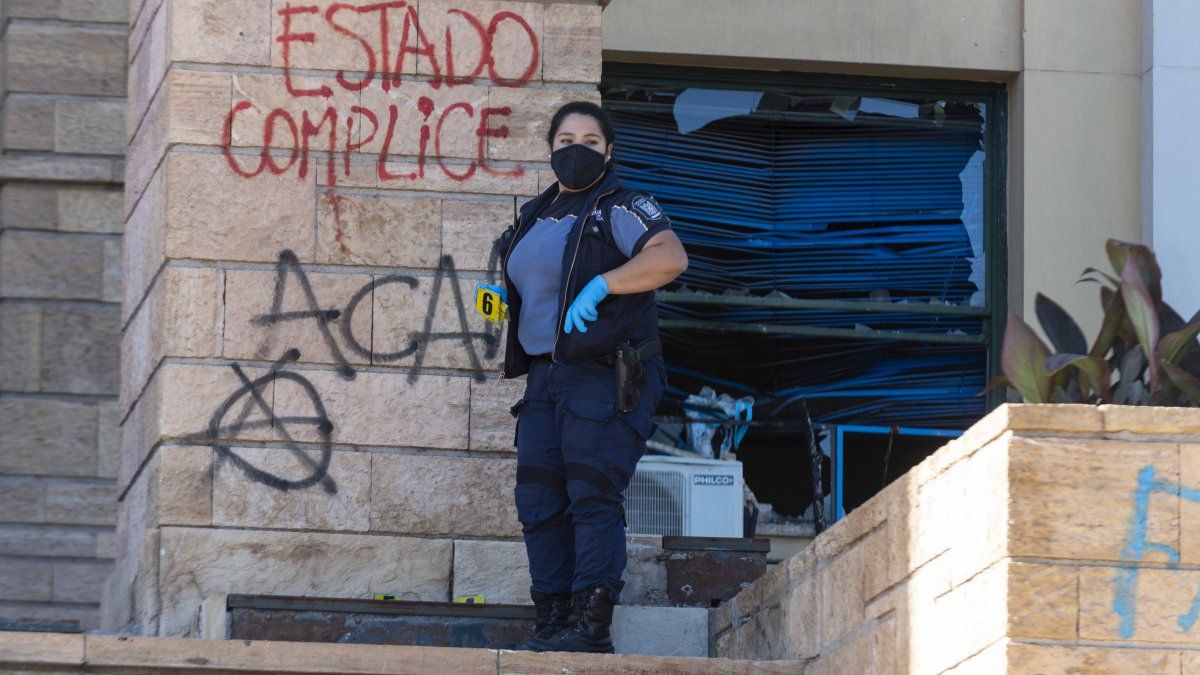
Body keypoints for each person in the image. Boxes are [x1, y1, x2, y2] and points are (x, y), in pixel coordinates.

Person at [480, 101, 688, 653]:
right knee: (538, 502)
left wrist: (606, 284)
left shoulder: (619, 205)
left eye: (591, 142)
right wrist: (503, 299)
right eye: (566, 139)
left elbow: (670, 258)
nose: (577, 150)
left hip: (601, 372)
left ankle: (589, 630)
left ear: (609, 151)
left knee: (591, 495)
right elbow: (525, 279)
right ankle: (551, 622)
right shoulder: (535, 212)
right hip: (545, 376)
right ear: (551, 149)